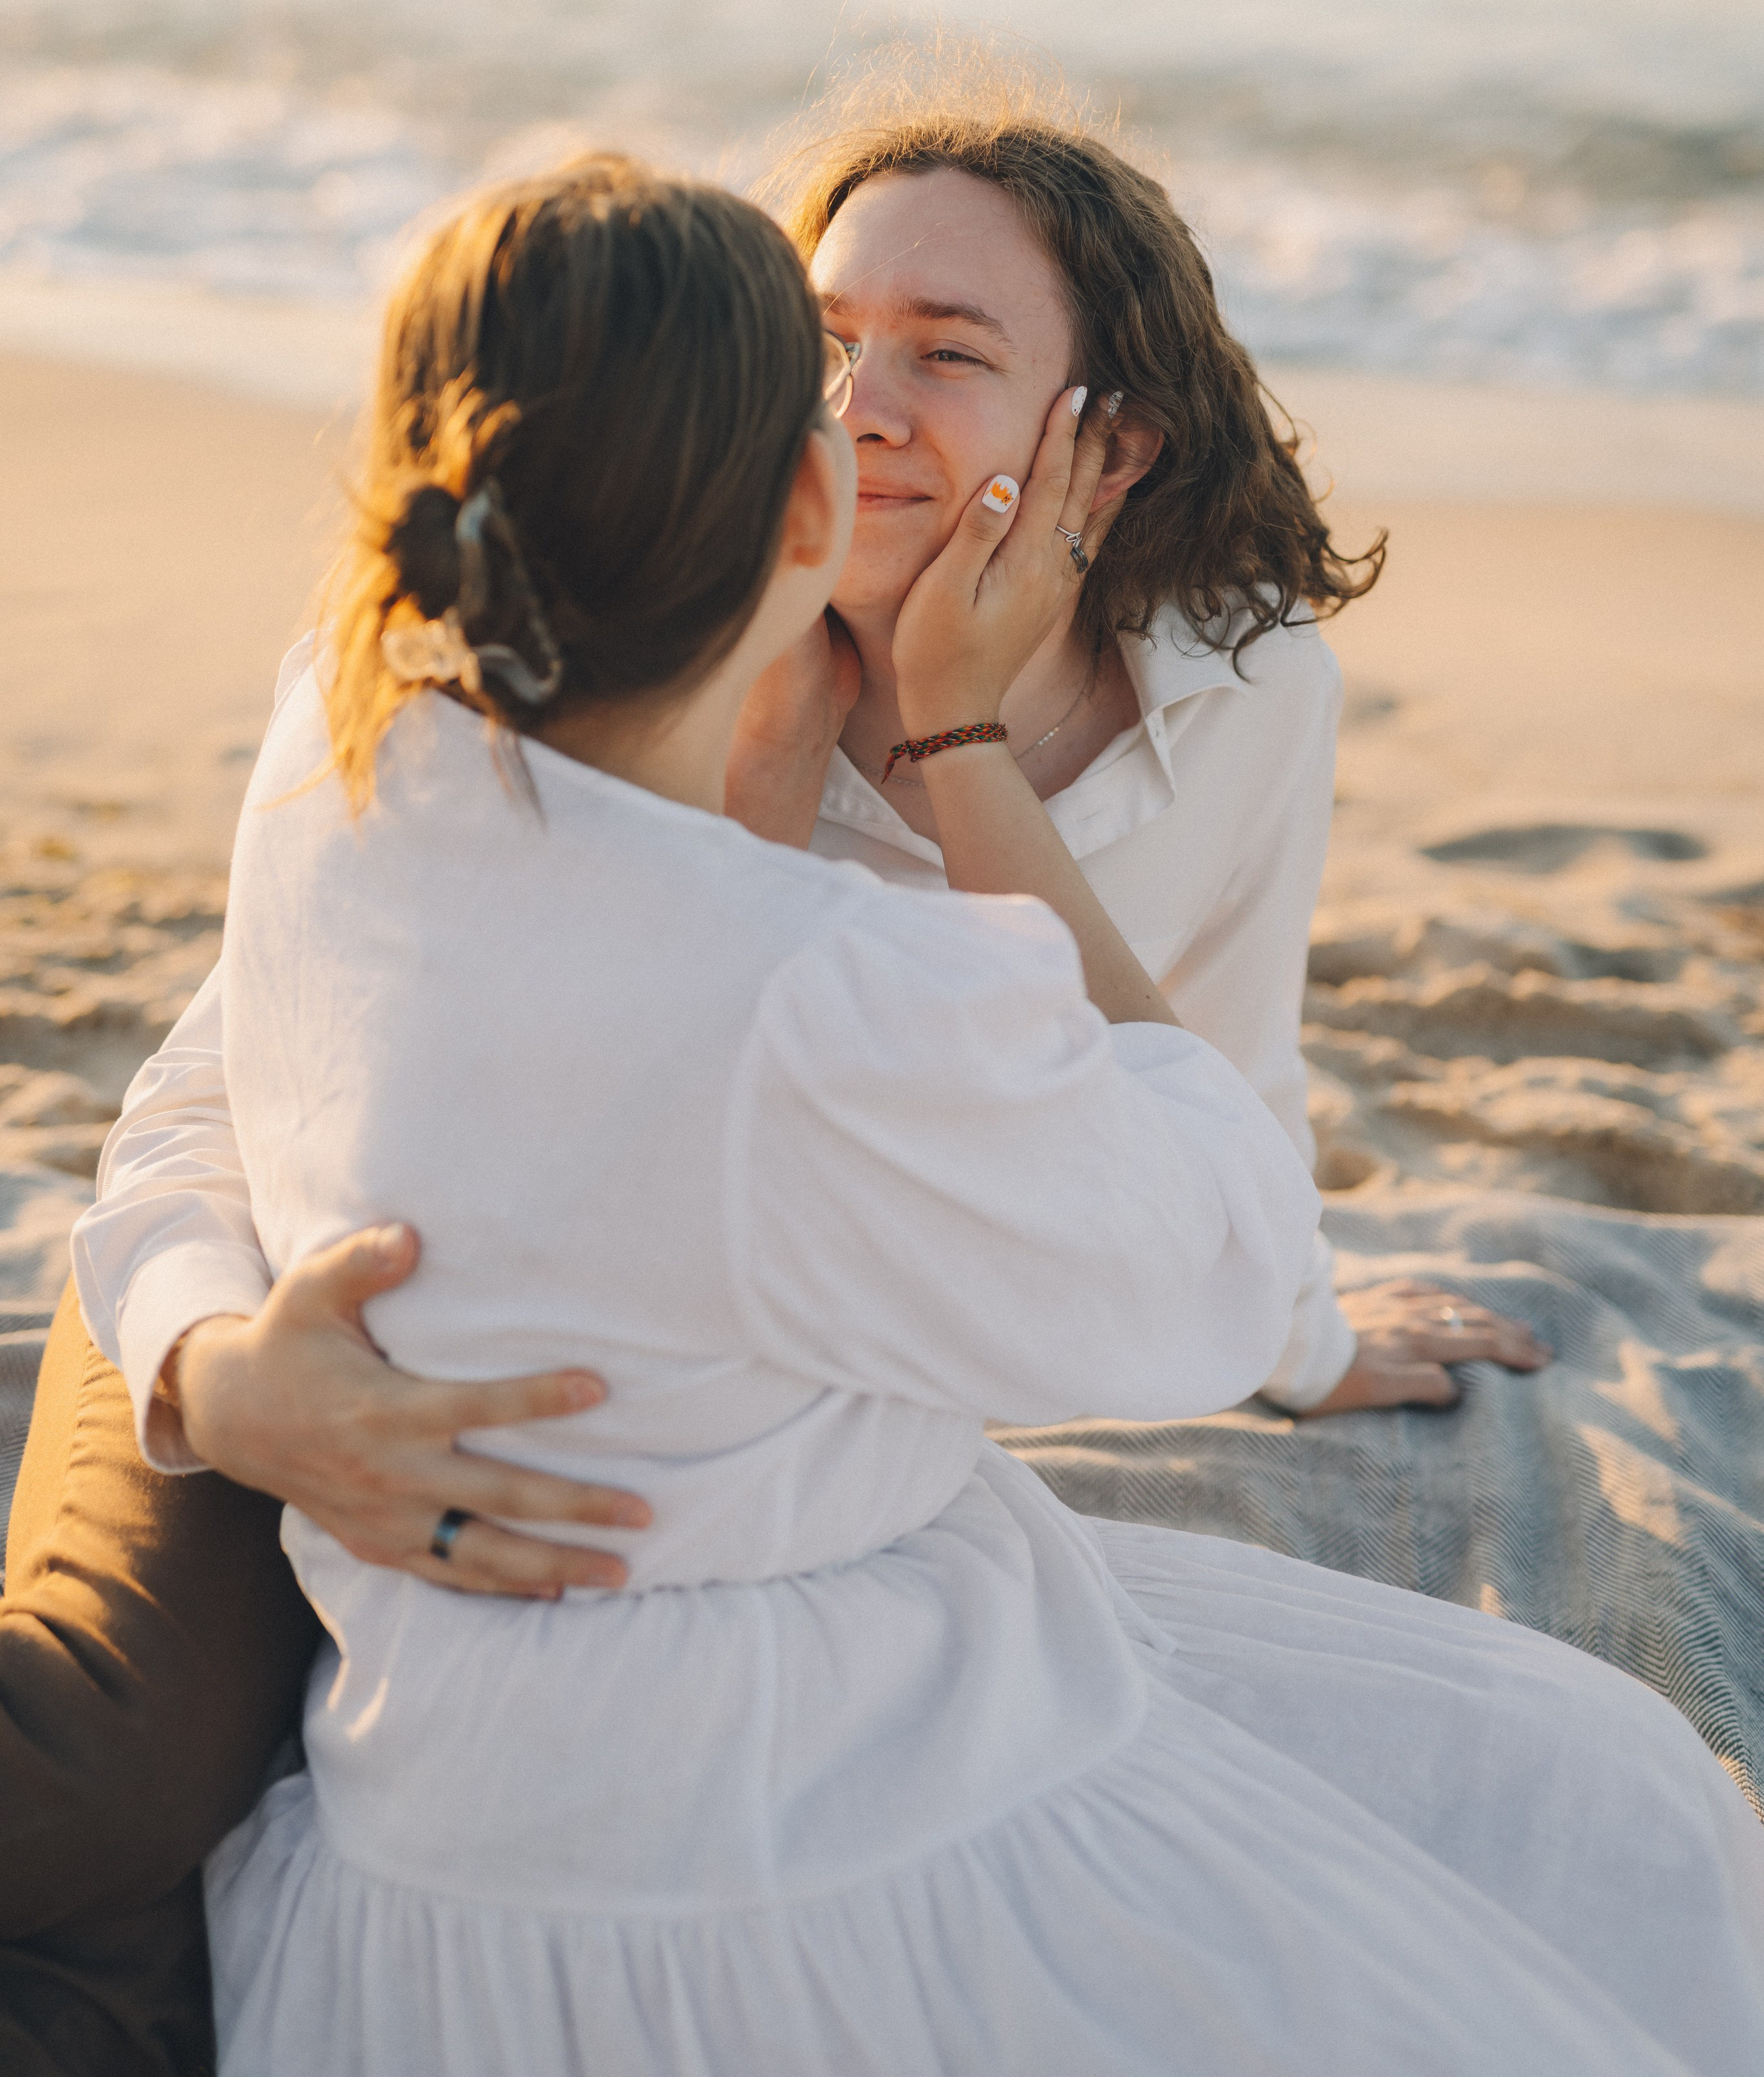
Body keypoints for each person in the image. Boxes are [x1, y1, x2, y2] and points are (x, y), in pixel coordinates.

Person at [65, 156, 1764, 2071]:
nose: (868, 407)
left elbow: (255, 1083)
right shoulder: (831, 989)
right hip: (793, 1766)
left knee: (1597, 1794)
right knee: (1605, 1836)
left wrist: (205, 1364)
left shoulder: (347, 739)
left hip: (456, 1785)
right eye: (824, 362)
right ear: (796, 496)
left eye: (939, 354)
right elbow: (1221, 1237)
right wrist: (944, 732)